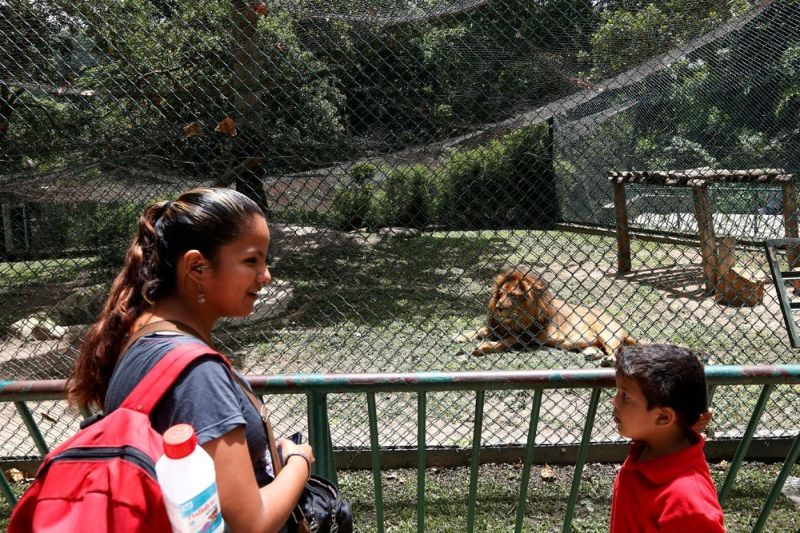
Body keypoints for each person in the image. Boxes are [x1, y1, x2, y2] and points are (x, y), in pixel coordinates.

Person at [67, 188, 314, 533]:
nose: (265, 275)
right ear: (197, 266)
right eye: (251, 261)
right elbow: (251, 523)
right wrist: (300, 461)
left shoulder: (140, 334)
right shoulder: (197, 375)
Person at [610, 343, 725, 532]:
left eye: (626, 396)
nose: (615, 401)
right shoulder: (654, 444)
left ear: (663, 417)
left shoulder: (687, 504)